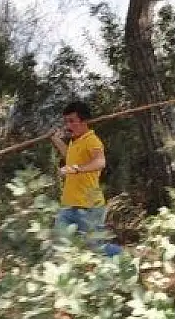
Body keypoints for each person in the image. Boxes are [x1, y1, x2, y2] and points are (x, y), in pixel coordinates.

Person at [48, 100, 122, 257]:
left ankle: (125, 258)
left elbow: (100, 161)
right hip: (68, 205)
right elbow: (70, 156)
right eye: (66, 121)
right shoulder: (76, 142)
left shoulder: (92, 140)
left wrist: (76, 169)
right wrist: (55, 140)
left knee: (97, 249)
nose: (68, 125)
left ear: (83, 121)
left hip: (90, 207)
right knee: (59, 246)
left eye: (72, 121)